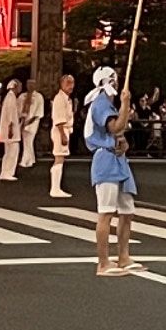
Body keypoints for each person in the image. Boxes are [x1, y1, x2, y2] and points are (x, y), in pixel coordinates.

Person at [84, 67, 142, 277]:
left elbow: (118, 133)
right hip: (105, 160)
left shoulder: (106, 104)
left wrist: (122, 141)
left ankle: (124, 257)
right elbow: (116, 127)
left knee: (127, 211)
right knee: (106, 212)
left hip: (118, 160)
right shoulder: (100, 103)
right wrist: (126, 103)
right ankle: (103, 262)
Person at [49, 74, 75, 198]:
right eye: (67, 83)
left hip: (64, 130)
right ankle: (55, 188)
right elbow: (59, 119)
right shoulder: (60, 98)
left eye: (72, 83)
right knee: (59, 158)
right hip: (61, 130)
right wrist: (63, 135)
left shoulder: (67, 99)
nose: (70, 86)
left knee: (60, 159)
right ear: (61, 84)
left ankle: (56, 187)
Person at [0, 79, 22, 181]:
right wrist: (11, 129)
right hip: (11, 130)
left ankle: (5, 172)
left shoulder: (9, 97)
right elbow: (11, 115)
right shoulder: (11, 97)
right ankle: (8, 172)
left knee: (8, 152)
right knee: (12, 152)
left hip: (8, 129)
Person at [19, 79, 45, 169]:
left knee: (29, 140)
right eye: (28, 84)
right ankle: (31, 159)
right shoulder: (22, 96)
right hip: (23, 120)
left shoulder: (38, 97)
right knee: (25, 141)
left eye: (32, 84)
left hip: (33, 122)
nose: (30, 86)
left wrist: (29, 121)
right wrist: (22, 120)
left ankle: (25, 160)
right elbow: (18, 109)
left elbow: (39, 113)